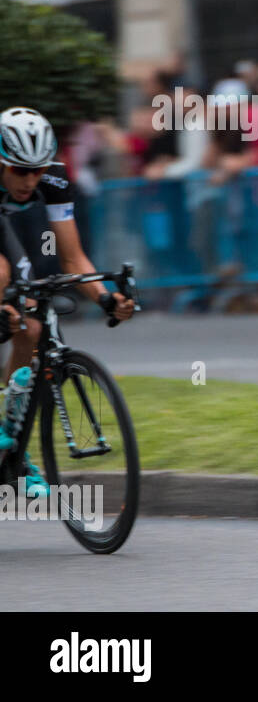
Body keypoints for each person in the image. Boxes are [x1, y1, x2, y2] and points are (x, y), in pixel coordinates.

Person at [0, 107, 136, 496]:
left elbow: (73, 259)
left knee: (32, 326)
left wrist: (108, 300)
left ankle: (13, 452)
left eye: (37, 170)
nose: (30, 180)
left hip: (18, 240)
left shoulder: (55, 180)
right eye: (19, 170)